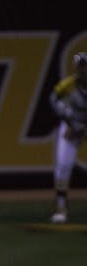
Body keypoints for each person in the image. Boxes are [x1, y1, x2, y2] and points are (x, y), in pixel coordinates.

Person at [47, 52, 87, 224]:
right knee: (63, 165)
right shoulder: (69, 84)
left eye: (85, 65)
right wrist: (68, 121)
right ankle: (61, 208)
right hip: (73, 125)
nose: (84, 69)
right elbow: (53, 99)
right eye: (81, 65)